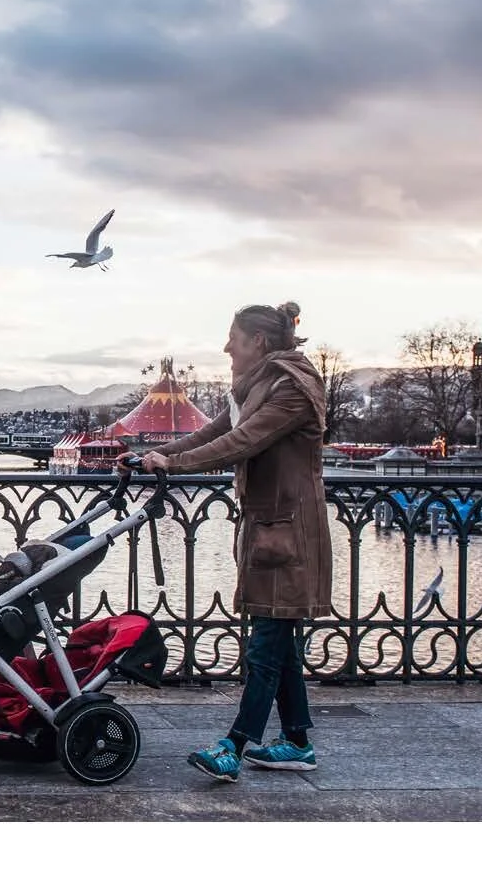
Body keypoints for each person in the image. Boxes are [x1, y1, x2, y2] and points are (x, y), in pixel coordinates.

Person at [125, 301, 331, 781]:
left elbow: (242, 443)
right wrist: (153, 455)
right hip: (268, 527)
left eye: (232, 339)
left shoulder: (290, 389)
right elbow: (211, 432)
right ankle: (298, 740)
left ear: (257, 342)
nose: (226, 348)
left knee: (265, 645)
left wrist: (171, 465)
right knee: (278, 643)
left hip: (291, 533)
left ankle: (234, 746)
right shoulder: (257, 385)